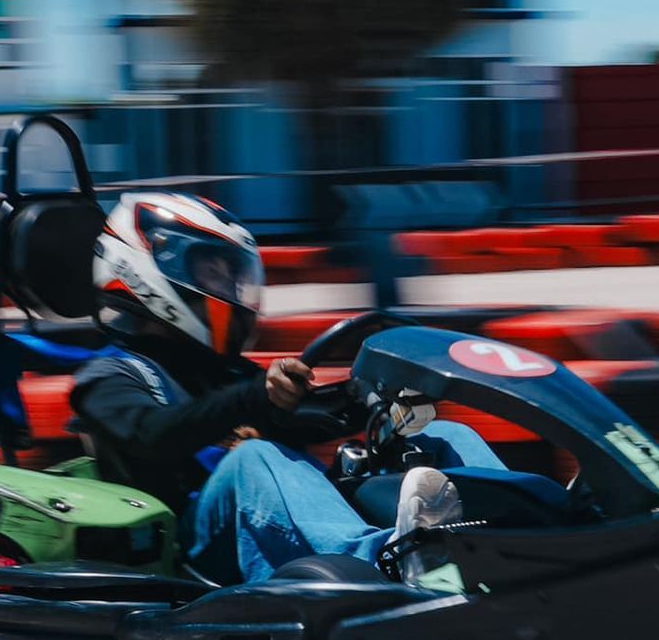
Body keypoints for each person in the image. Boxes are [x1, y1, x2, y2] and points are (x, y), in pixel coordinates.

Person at [69, 191, 507, 586]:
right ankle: (382, 564)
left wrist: (375, 395)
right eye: (212, 272)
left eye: (230, 275)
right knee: (256, 457)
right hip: (190, 554)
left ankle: (529, 531)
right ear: (146, 268)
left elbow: (309, 418)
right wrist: (252, 398)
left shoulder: (224, 373)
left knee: (444, 436)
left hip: (265, 523)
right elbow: (154, 435)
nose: (228, 288)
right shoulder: (110, 375)